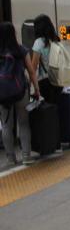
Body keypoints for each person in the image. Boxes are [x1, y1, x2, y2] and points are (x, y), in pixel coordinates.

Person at [0, 22, 40, 165]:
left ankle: (11, 159)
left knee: (6, 126)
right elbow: (31, 71)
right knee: (23, 123)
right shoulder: (21, 50)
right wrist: (36, 89)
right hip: (20, 91)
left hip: (3, 94)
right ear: (14, 34)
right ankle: (26, 156)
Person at [31, 14, 63, 106]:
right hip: (58, 81)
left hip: (45, 83)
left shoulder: (39, 42)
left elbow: (33, 67)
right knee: (56, 108)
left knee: (48, 110)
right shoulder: (56, 40)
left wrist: (31, 85)